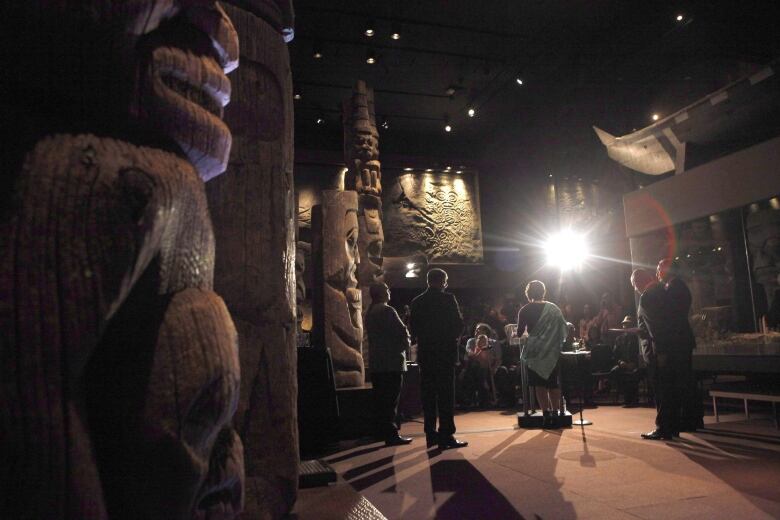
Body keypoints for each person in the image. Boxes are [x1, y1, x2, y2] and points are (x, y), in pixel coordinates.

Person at [409, 268, 468, 449]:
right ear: (443, 281)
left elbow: (413, 329)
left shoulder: (417, 301)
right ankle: (446, 434)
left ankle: (430, 434)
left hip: (426, 353)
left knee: (428, 395)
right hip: (445, 353)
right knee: (445, 395)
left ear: (428, 281)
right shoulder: (448, 299)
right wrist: (450, 337)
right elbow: (459, 325)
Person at [631, 268, 680, 440]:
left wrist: (660, 351)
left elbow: (655, 328)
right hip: (672, 346)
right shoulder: (663, 290)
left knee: (661, 390)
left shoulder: (647, 296)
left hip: (657, 350)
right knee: (671, 389)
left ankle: (663, 428)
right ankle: (673, 426)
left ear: (637, 282)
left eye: (635, 285)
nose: (636, 289)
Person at [366, 283, 413, 446]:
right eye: (387, 289)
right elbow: (402, 333)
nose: (389, 291)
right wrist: (405, 342)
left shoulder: (370, 312)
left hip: (377, 363)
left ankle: (380, 432)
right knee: (391, 400)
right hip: (391, 362)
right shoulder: (387, 310)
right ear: (381, 293)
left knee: (380, 400)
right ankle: (391, 434)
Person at [657, 258, 702, 431]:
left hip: (678, 339)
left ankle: (691, 418)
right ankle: (692, 418)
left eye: (660, 268)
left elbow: (671, 315)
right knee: (684, 380)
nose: (658, 271)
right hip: (680, 338)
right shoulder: (675, 286)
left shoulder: (675, 288)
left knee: (683, 380)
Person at [517, 280, 568, 426]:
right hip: (552, 352)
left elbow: (520, 333)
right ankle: (556, 413)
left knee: (539, 384)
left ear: (528, 293)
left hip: (535, 351)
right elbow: (563, 328)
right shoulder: (553, 308)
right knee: (553, 383)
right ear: (543, 292)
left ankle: (546, 415)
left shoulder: (525, 310)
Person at [463, 323, 502, 407]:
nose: (476, 331)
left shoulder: (494, 343)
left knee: (502, 370)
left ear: (486, 332)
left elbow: (498, 359)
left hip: (490, 367)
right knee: (475, 368)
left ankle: (485, 398)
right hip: (476, 366)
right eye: (476, 329)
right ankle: (482, 396)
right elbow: (469, 353)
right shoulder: (471, 341)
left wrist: (494, 368)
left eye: (479, 329)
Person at [611, 315, 641, 407]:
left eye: (628, 325)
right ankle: (625, 397)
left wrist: (634, 363)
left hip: (635, 364)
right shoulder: (619, 339)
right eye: (625, 325)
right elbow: (615, 355)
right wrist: (620, 362)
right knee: (614, 371)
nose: (626, 327)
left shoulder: (638, 338)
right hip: (623, 364)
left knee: (635, 373)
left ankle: (633, 399)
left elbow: (640, 353)